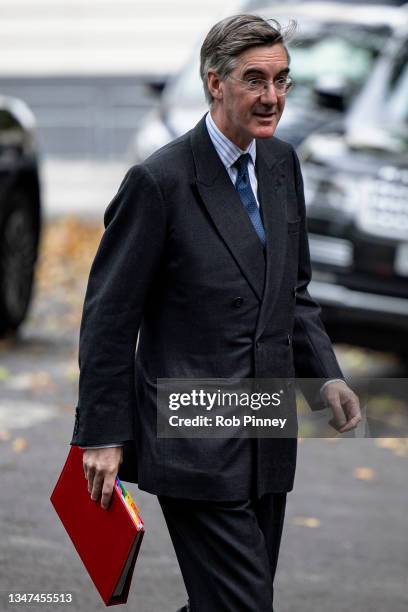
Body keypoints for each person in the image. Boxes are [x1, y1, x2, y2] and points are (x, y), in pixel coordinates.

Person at [71, 14, 361, 612]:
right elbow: (108, 316)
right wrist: (101, 434)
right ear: (214, 83)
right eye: (255, 80)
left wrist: (326, 373)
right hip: (194, 433)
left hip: (266, 427)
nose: (272, 97)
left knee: (227, 602)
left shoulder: (282, 166)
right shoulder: (159, 182)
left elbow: (294, 292)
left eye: (283, 81)